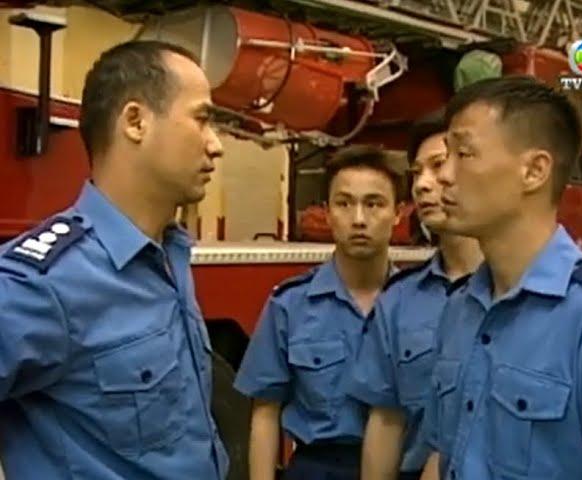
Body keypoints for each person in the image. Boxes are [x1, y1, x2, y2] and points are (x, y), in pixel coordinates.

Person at [0, 41, 229, 479]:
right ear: (136, 122)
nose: (216, 145)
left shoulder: (169, 256)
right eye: (201, 119)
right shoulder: (45, 283)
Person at [428, 75, 582, 480]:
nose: (443, 175)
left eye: (464, 154)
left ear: (534, 170)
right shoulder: (460, 308)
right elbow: (442, 456)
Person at [233, 145, 406, 480]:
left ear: (398, 213)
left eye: (374, 204)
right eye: (344, 203)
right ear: (327, 213)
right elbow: (265, 412)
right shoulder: (291, 305)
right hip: (318, 468)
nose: (359, 219)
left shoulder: (418, 307)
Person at [346, 114, 483, 480]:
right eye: (417, 172)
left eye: (438, 165)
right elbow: (386, 421)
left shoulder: (520, 293)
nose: (423, 185)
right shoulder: (399, 300)